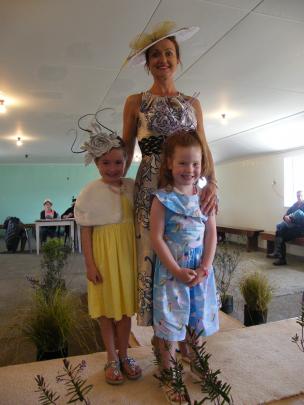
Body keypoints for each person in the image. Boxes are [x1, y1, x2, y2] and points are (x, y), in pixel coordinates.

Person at [123, 21, 218, 327]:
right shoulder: (135, 102)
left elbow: (203, 147)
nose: (162, 59)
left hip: (188, 188)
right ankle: (162, 333)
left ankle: (190, 331)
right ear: (147, 63)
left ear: (178, 60)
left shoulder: (193, 103)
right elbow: (126, 148)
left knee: (191, 247)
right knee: (153, 250)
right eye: (155, 55)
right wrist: (113, 184)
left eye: (169, 53)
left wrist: (212, 183)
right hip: (150, 184)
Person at [150, 130, 219, 403]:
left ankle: (197, 360)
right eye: (182, 163)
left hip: (200, 271)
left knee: (197, 320)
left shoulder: (205, 197)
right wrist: (177, 270)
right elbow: (156, 237)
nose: (189, 169)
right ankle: (169, 374)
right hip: (172, 272)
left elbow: (211, 232)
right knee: (169, 324)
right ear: (169, 163)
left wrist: (205, 266)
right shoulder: (162, 198)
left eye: (195, 164)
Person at [74, 129, 141, 385]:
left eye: (118, 162)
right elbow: (86, 232)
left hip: (126, 257)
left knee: (124, 310)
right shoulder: (90, 192)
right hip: (103, 258)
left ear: (126, 160)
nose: (113, 168)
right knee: (106, 309)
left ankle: (125, 355)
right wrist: (89, 264)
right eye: (105, 163)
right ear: (96, 163)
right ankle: (111, 357)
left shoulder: (131, 187)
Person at [268, 190, 304, 265]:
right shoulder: (294, 205)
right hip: (291, 228)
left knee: (280, 229)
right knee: (280, 233)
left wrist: (293, 218)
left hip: (300, 230)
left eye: (301, 196)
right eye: (298, 196)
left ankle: (278, 254)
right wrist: (286, 217)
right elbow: (284, 215)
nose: (299, 197)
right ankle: (281, 258)